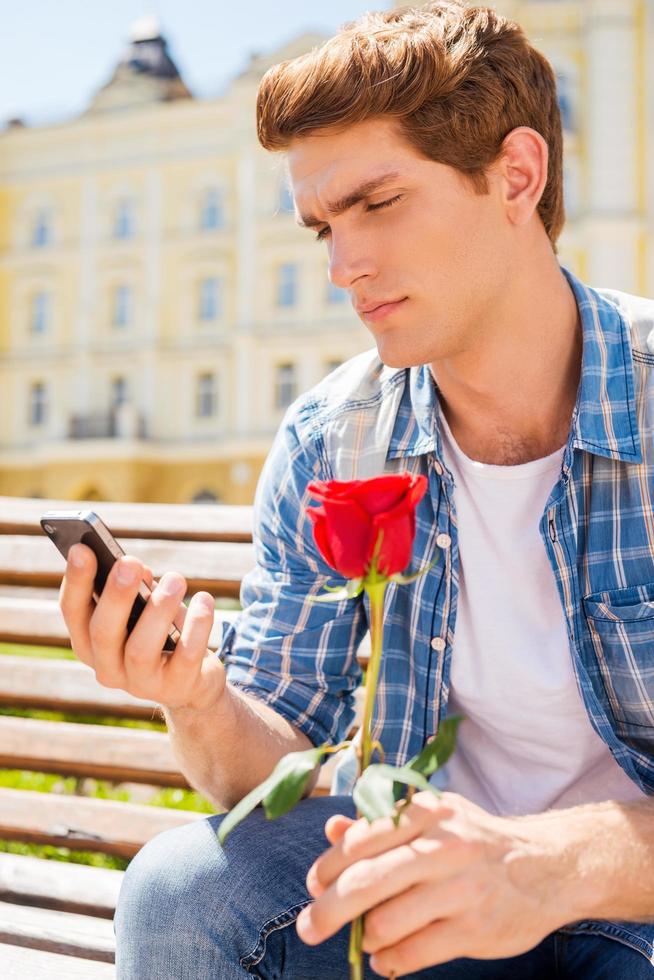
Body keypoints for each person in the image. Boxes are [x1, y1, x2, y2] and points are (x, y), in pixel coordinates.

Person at [59, 3, 654, 977]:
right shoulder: (333, 436)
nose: (344, 265)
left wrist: (553, 863)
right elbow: (268, 761)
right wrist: (201, 697)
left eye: (378, 204)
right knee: (179, 887)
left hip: (636, 911)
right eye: (323, 226)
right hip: (429, 901)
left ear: (516, 174)